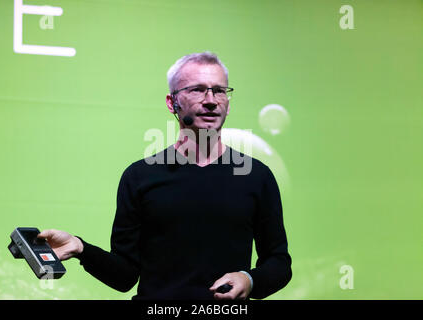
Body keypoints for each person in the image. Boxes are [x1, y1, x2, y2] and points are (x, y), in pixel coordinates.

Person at [38, 52, 292, 300]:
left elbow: (279, 263)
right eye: (197, 89)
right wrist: (80, 248)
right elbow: (124, 276)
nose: (211, 100)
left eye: (219, 90)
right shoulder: (139, 177)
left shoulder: (256, 176)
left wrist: (249, 279)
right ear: (172, 103)